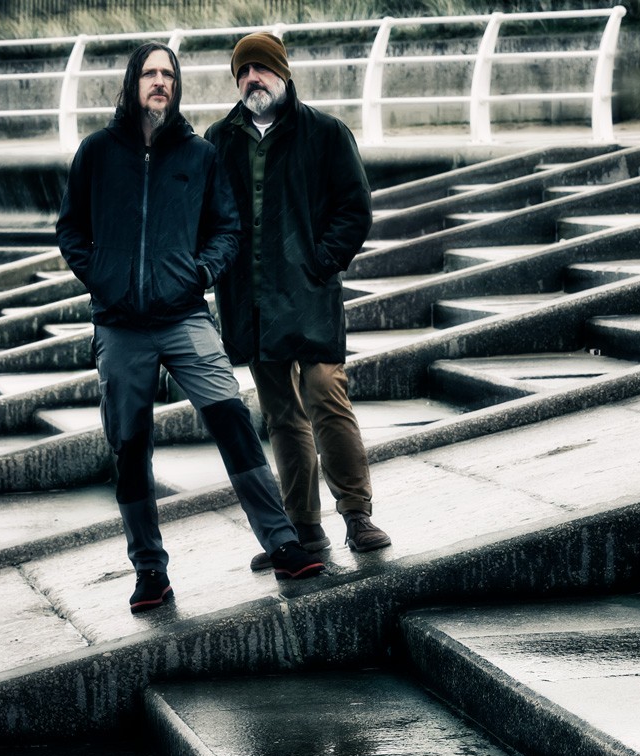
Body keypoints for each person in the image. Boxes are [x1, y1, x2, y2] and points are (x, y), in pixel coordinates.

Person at [57, 41, 327, 615]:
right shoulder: (97, 153)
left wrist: (199, 273)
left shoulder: (198, 155)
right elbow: (71, 229)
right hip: (120, 326)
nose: (160, 82)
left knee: (231, 416)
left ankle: (281, 542)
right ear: (133, 83)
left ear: (176, 86)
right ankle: (149, 570)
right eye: (150, 73)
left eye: (168, 75)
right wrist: (102, 277)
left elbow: (226, 229)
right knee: (129, 445)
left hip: (184, 315)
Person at [205, 32, 392, 571]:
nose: (252, 79)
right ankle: (304, 528)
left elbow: (354, 208)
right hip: (251, 302)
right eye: (243, 72)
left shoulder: (325, 133)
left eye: (261, 68)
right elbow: (208, 216)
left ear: (283, 74)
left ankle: (357, 514)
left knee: (326, 395)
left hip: (309, 294)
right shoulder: (219, 140)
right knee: (282, 415)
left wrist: (321, 261)